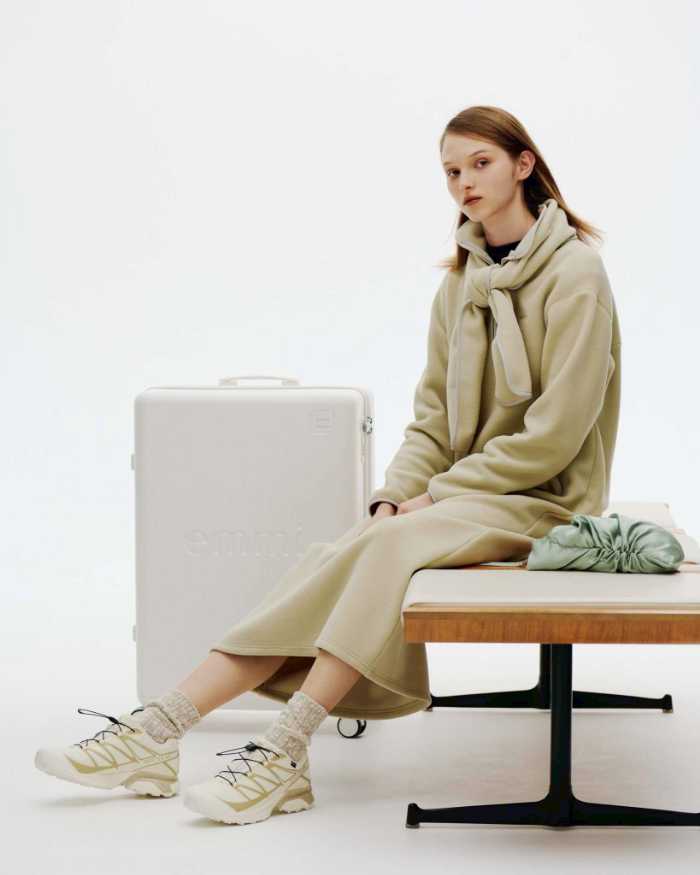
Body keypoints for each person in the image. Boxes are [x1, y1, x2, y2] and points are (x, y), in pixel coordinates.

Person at [34, 104, 621, 826]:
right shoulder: (460, 284)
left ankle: (282, 751)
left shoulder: (576, 274)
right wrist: (395, 494)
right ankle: (157, 730)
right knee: (345, 549)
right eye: (450, 171)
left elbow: (556, 435)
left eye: (480, 163)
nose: (464, 182)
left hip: (547, 499)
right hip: (460, 497)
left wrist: (432, 499)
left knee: (391, 545)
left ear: (523, 165)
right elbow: (432, 419)